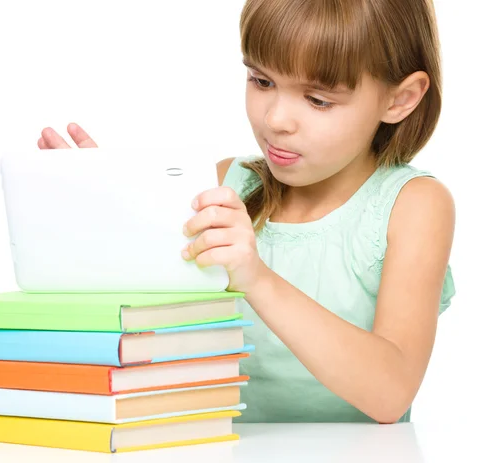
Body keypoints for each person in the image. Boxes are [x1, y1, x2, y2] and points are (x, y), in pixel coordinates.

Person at [37, 0, 455, 424]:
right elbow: (145, 343)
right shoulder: (222, 188)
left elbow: (391, 395)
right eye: (261, 80)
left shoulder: (413, 205)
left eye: (317, 99)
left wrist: (257, 278)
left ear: (400, 99)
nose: (275, 119)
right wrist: (109, 219)